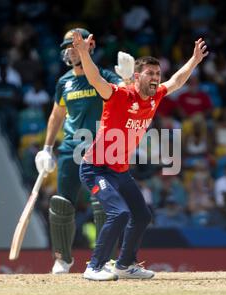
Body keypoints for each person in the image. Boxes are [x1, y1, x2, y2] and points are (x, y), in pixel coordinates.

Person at [73, 30, 208, 280]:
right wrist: (82, 51)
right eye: (150, 73)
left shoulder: (155, 97)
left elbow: (177, 81)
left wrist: (194, 61)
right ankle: (93, 267)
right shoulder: (120, 95)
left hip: (120, 171)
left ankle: (124, 265)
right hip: (95, 168)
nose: (156, 78)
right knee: (119, 213)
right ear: (137, 76)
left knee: (142, 216)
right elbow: (95, 80)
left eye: (158, 74)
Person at [34, 28, 135, 274]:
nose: (70, 50)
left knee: (103, 204)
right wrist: (47, 148)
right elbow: (57, 115)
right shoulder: (64, 82)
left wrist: (129, 79)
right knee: (61, 204)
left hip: (101, 149)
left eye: (76, 44)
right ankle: (62, 259)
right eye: (67, 46)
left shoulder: (105, 75)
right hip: (71, 148)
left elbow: (127, 94)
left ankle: (107, 261)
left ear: (90, 46)